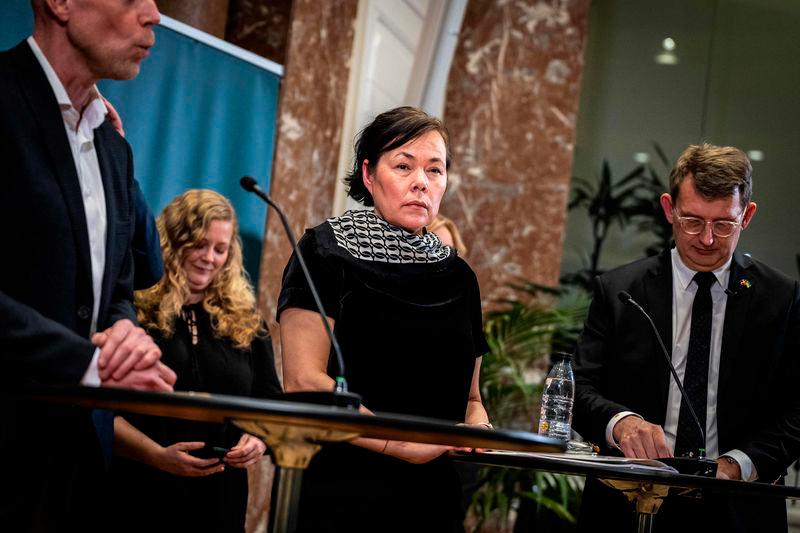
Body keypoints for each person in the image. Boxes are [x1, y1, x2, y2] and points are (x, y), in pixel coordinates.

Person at [0, 1, 176, 530]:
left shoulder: (111, 147)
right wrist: (86, 363)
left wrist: (126, 333)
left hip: (81, 468)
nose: (154, 15)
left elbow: (118, 286)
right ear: (61, 3)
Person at [278, 106, 492, 532]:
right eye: (403, 166)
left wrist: (478, 426)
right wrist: (400, 445)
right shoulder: (325, 252)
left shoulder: (460, 277)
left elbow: (470, 398)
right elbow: (304, 382)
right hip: (344, 490)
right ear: (369, 174)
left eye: (435, 170)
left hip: (434, 496)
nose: (421, 182)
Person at [572, 143, 800, 532]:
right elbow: (580, 387)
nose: (707, 239)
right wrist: (622, 423)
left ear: (747, 215)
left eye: (723, 224)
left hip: (739, 509)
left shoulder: (780, 297)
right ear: (668, 209)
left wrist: (739, 464)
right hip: (628, 502)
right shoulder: (621, 291)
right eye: (692, 221)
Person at [111, 189, 283, 532]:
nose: (209, 258)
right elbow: (99, 409)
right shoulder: (130, 311)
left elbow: (272, 407)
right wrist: (155, 456)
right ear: (172, 242)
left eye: (221, 249)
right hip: (139, 489)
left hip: (219, 500)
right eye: (199, 245)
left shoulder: (247, 321)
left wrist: (259, 440)